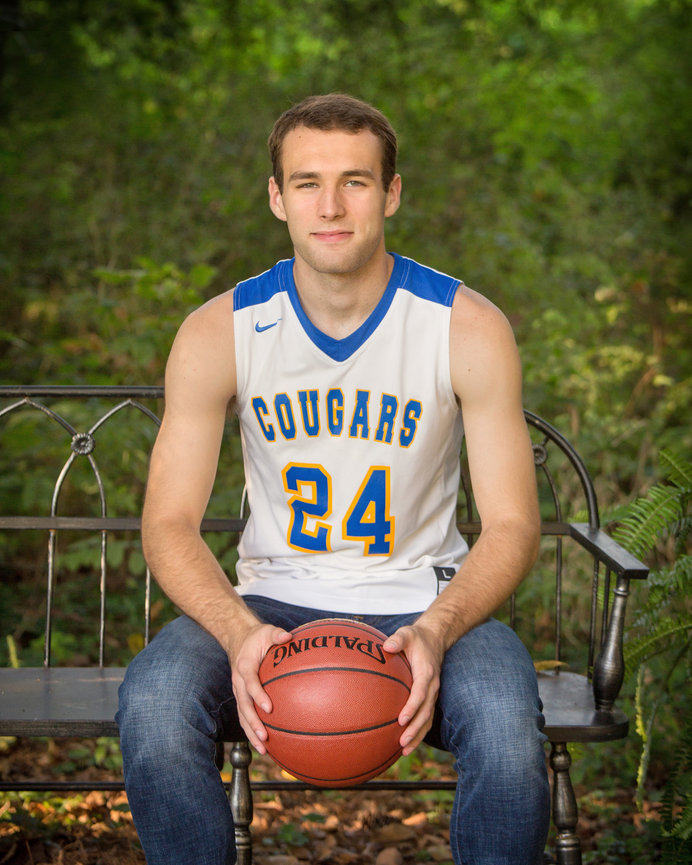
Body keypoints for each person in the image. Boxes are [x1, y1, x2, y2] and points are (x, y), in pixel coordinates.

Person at [117, 93, 550, 865]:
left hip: (424, 596)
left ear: (391, 192)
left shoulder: (464, 326)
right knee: (152, 703)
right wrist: (241, 632)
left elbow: (513, 523)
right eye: (307, 181)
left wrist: (439, 626)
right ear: (276, 196)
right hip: (269, 598)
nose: (331, 204)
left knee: (510, 728)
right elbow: (169, 522)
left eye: (355, 180)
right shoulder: (221, 330)